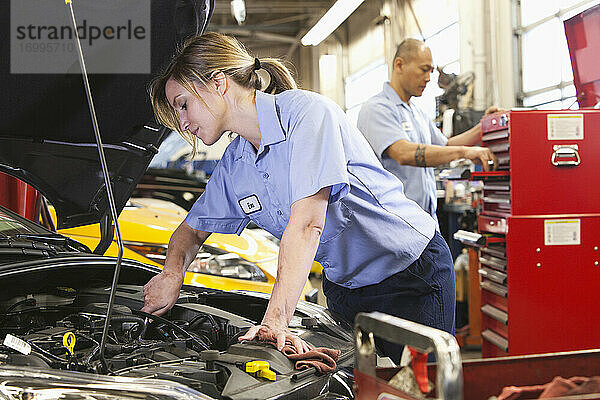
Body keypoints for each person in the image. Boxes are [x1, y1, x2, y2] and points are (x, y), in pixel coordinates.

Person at [141, 32, 455, 361]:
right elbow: (190, 230)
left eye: (183, 105)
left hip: (411, 274)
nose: (182, 123)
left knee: (425, 389)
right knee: (360, 389)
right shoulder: (236, 163)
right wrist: (171, 273)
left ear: (218, 83)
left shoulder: (307, 114)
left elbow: (307, 225)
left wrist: (276, 320)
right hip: (345, 288)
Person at [357, 38, 499, 220]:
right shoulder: (377, 109)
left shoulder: (417, 113)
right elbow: (403, 153)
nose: (428, 78)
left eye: (431, 71)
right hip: (394, 223)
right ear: (399, 65)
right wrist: (465, 152)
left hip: (424, 222)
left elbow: (445, 146)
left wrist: (485, 126)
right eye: (424, 70)